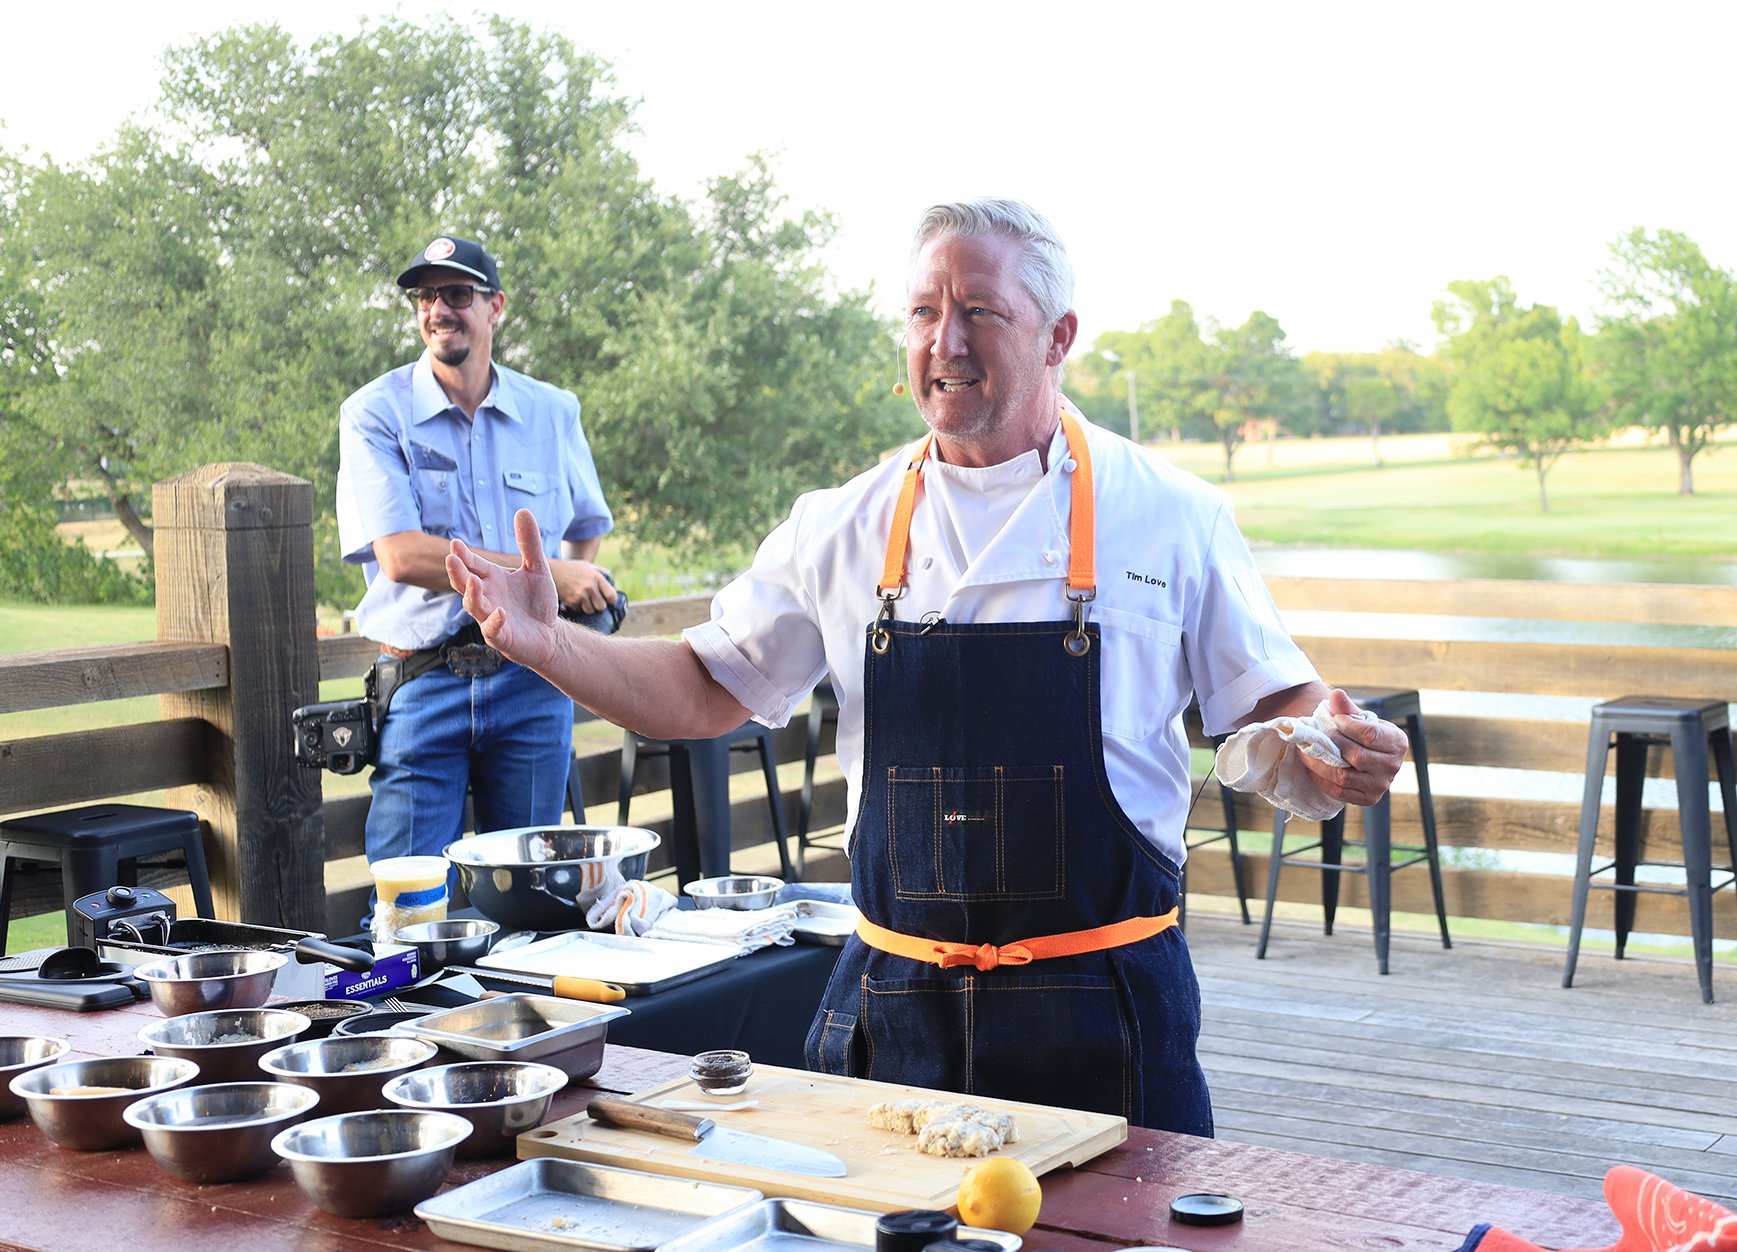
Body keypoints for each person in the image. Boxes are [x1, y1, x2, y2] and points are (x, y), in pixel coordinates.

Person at [446, 201, 1405, 1134]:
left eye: (980, 312)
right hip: (894, 1011)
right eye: (923, 312)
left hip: (1105, 1010)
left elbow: (1274, 697)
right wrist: (551, 645)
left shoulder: (1171, 513)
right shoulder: (841, 523)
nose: (944, 342)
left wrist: (1332, 736)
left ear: (1059, 334)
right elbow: (704, 687)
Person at [337, 234, 616, 916]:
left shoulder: (554, 412)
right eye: (426, 297)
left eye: (458, 294)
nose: (440, 310)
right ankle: (402, 1023)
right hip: (422, 680)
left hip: (530, 684)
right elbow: (401, 554)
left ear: (495, 308)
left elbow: (589, 523)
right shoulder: (375, 412)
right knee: (409, 906)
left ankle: (524, 1024)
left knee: (529, 903)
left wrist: (572, 586)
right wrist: (543, 571)